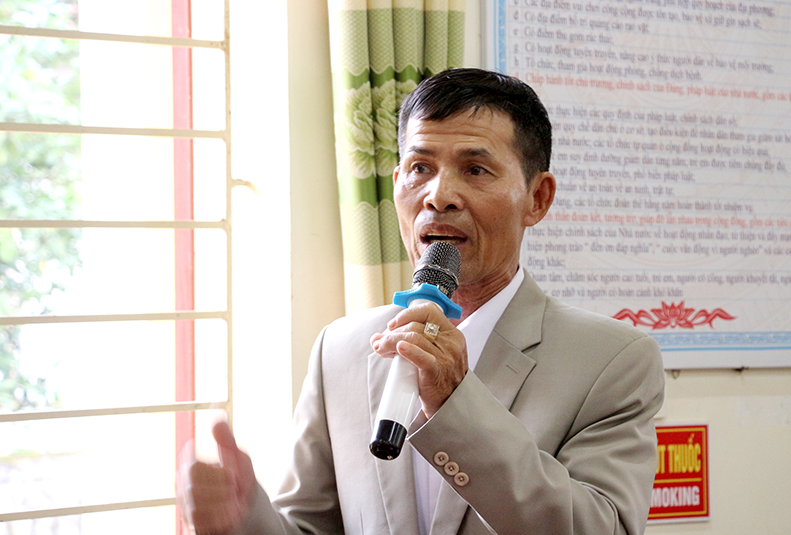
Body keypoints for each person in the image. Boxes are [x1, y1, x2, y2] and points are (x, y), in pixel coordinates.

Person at [180, 68, 665, 535]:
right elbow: (310, 527)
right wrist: (241, 522)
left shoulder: (611, 360)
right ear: (396, 183)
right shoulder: (340, 349)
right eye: (420, 168)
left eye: (475, 169)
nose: (439, 196)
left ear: (537, 198)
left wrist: (457, 403)